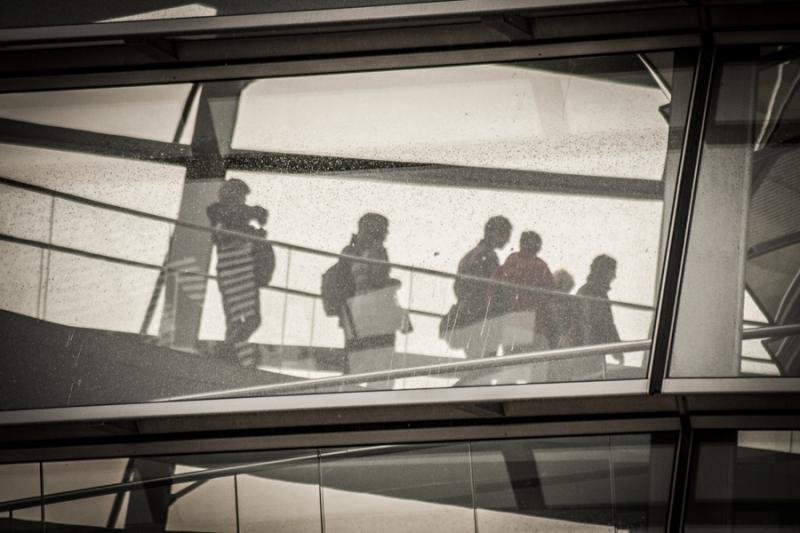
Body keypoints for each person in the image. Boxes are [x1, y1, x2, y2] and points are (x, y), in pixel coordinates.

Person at [207, 179, 267, 367]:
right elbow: (236, 217)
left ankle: (229, 356)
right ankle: (227, 350)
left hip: (232, 271)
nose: (242, 200)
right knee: (252, 319)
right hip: (239, 271)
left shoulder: (220, 215)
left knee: (236, 320)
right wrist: (255, 215)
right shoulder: (219, 212)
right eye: (240, 195)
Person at [337, 213, 408, 376]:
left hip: (354, 313)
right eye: (384, 230)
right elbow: (377, 280)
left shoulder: (350, 250)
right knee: (383, 368)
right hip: (376, 315)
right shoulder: (376, 251)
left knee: (353, 363)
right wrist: (393, 283)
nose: (386, 234)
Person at [445, 215, 512, 358]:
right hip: (482, 319)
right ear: (494, 233)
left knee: (476, 366)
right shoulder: (489, 256)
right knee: (485, 367)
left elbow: (458, 287)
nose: (507, 240)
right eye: (505, 235)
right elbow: (493, 290)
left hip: (467, 316)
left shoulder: (469, 255)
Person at [492, 231, 557, 353]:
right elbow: (550, 296)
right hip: (533, 323)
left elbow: (496, 287)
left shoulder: (510, 261)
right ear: (537, 246)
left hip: (510, 321)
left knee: (511, 361)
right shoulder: (541, 266)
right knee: (533, 362)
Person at [574, 254, 623, 364]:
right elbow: (600, 323)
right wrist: (617, 349)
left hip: (589, 349)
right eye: (612, 271)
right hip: (588, 351)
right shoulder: (593, 292)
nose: (614, 276)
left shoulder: (589, 291)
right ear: (604, 272)